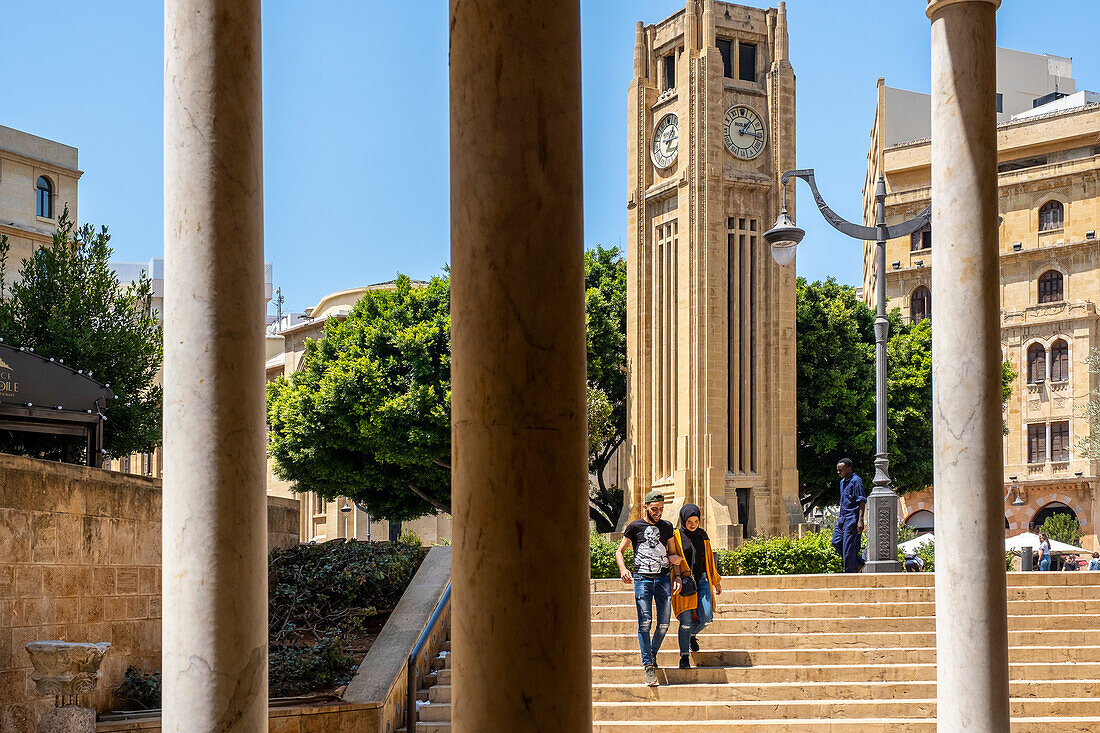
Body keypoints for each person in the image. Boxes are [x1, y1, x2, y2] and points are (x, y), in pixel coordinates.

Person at [616, 491, 681, 687]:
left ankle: (652, 653)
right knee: (645, 623)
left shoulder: (667, 527)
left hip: (662, 579)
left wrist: (677, 575)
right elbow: (620, 551)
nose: (658, 513)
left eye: (661, 509)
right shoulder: (635, 526)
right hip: (642, 579)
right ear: (645, 507)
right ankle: (648, 666)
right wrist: (623, 569)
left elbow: (673, 552)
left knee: (664, 624)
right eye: (654, 509)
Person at [671, 503, 722, 669]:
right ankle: (684, 657)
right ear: (683, 519)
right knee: (685, 621)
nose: (692, 524)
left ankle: (692, 635)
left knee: (707, 617)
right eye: (689, 521)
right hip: (684, 582)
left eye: (696, 521)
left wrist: (716, 581)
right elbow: (671, 557)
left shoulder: (703, 535)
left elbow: (709, 560)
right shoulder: (676, 536)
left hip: (702, 580)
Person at [831, 458, 866, 573]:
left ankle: (850, 572)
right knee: (836, 541)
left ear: (848, 468)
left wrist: (860, 520)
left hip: (852, 518)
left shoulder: (856, 481)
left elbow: (861, 501)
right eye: (837, 470)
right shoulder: (842, 482)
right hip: (842, 517)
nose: (838, 472)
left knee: (848, 548)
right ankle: (858, 562)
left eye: (840, 470)